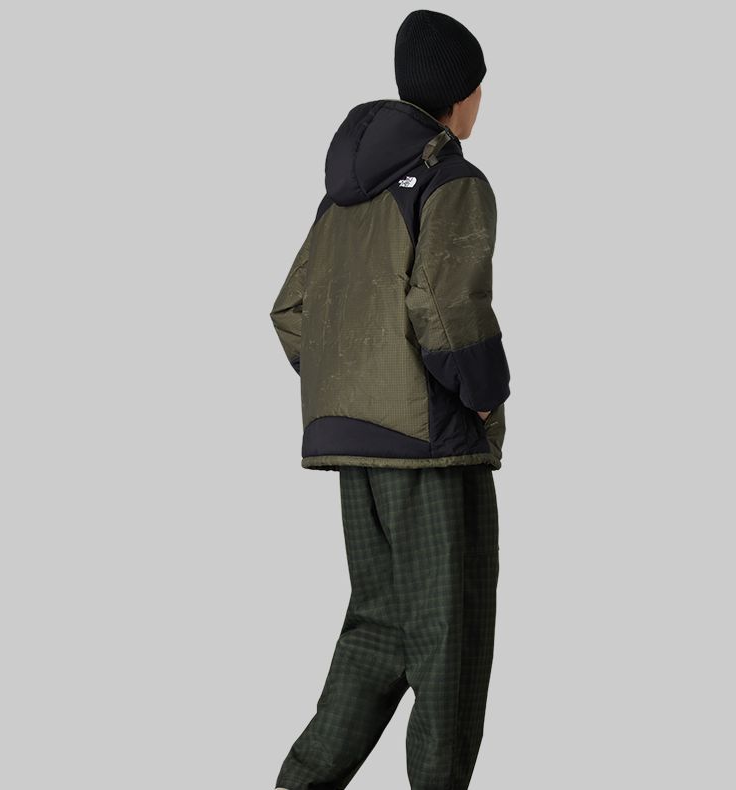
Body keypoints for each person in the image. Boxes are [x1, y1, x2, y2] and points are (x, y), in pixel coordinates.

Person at [269, 9, 511, 790]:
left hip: (352, 443)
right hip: (431, 449)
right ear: (460, 96)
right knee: (449, 643)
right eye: (480, 89)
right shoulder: (452, 181)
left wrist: (359, 381)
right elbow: (446, 307)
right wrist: (485, 396)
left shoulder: (343, 197)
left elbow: (292, 310)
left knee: (379, 631)